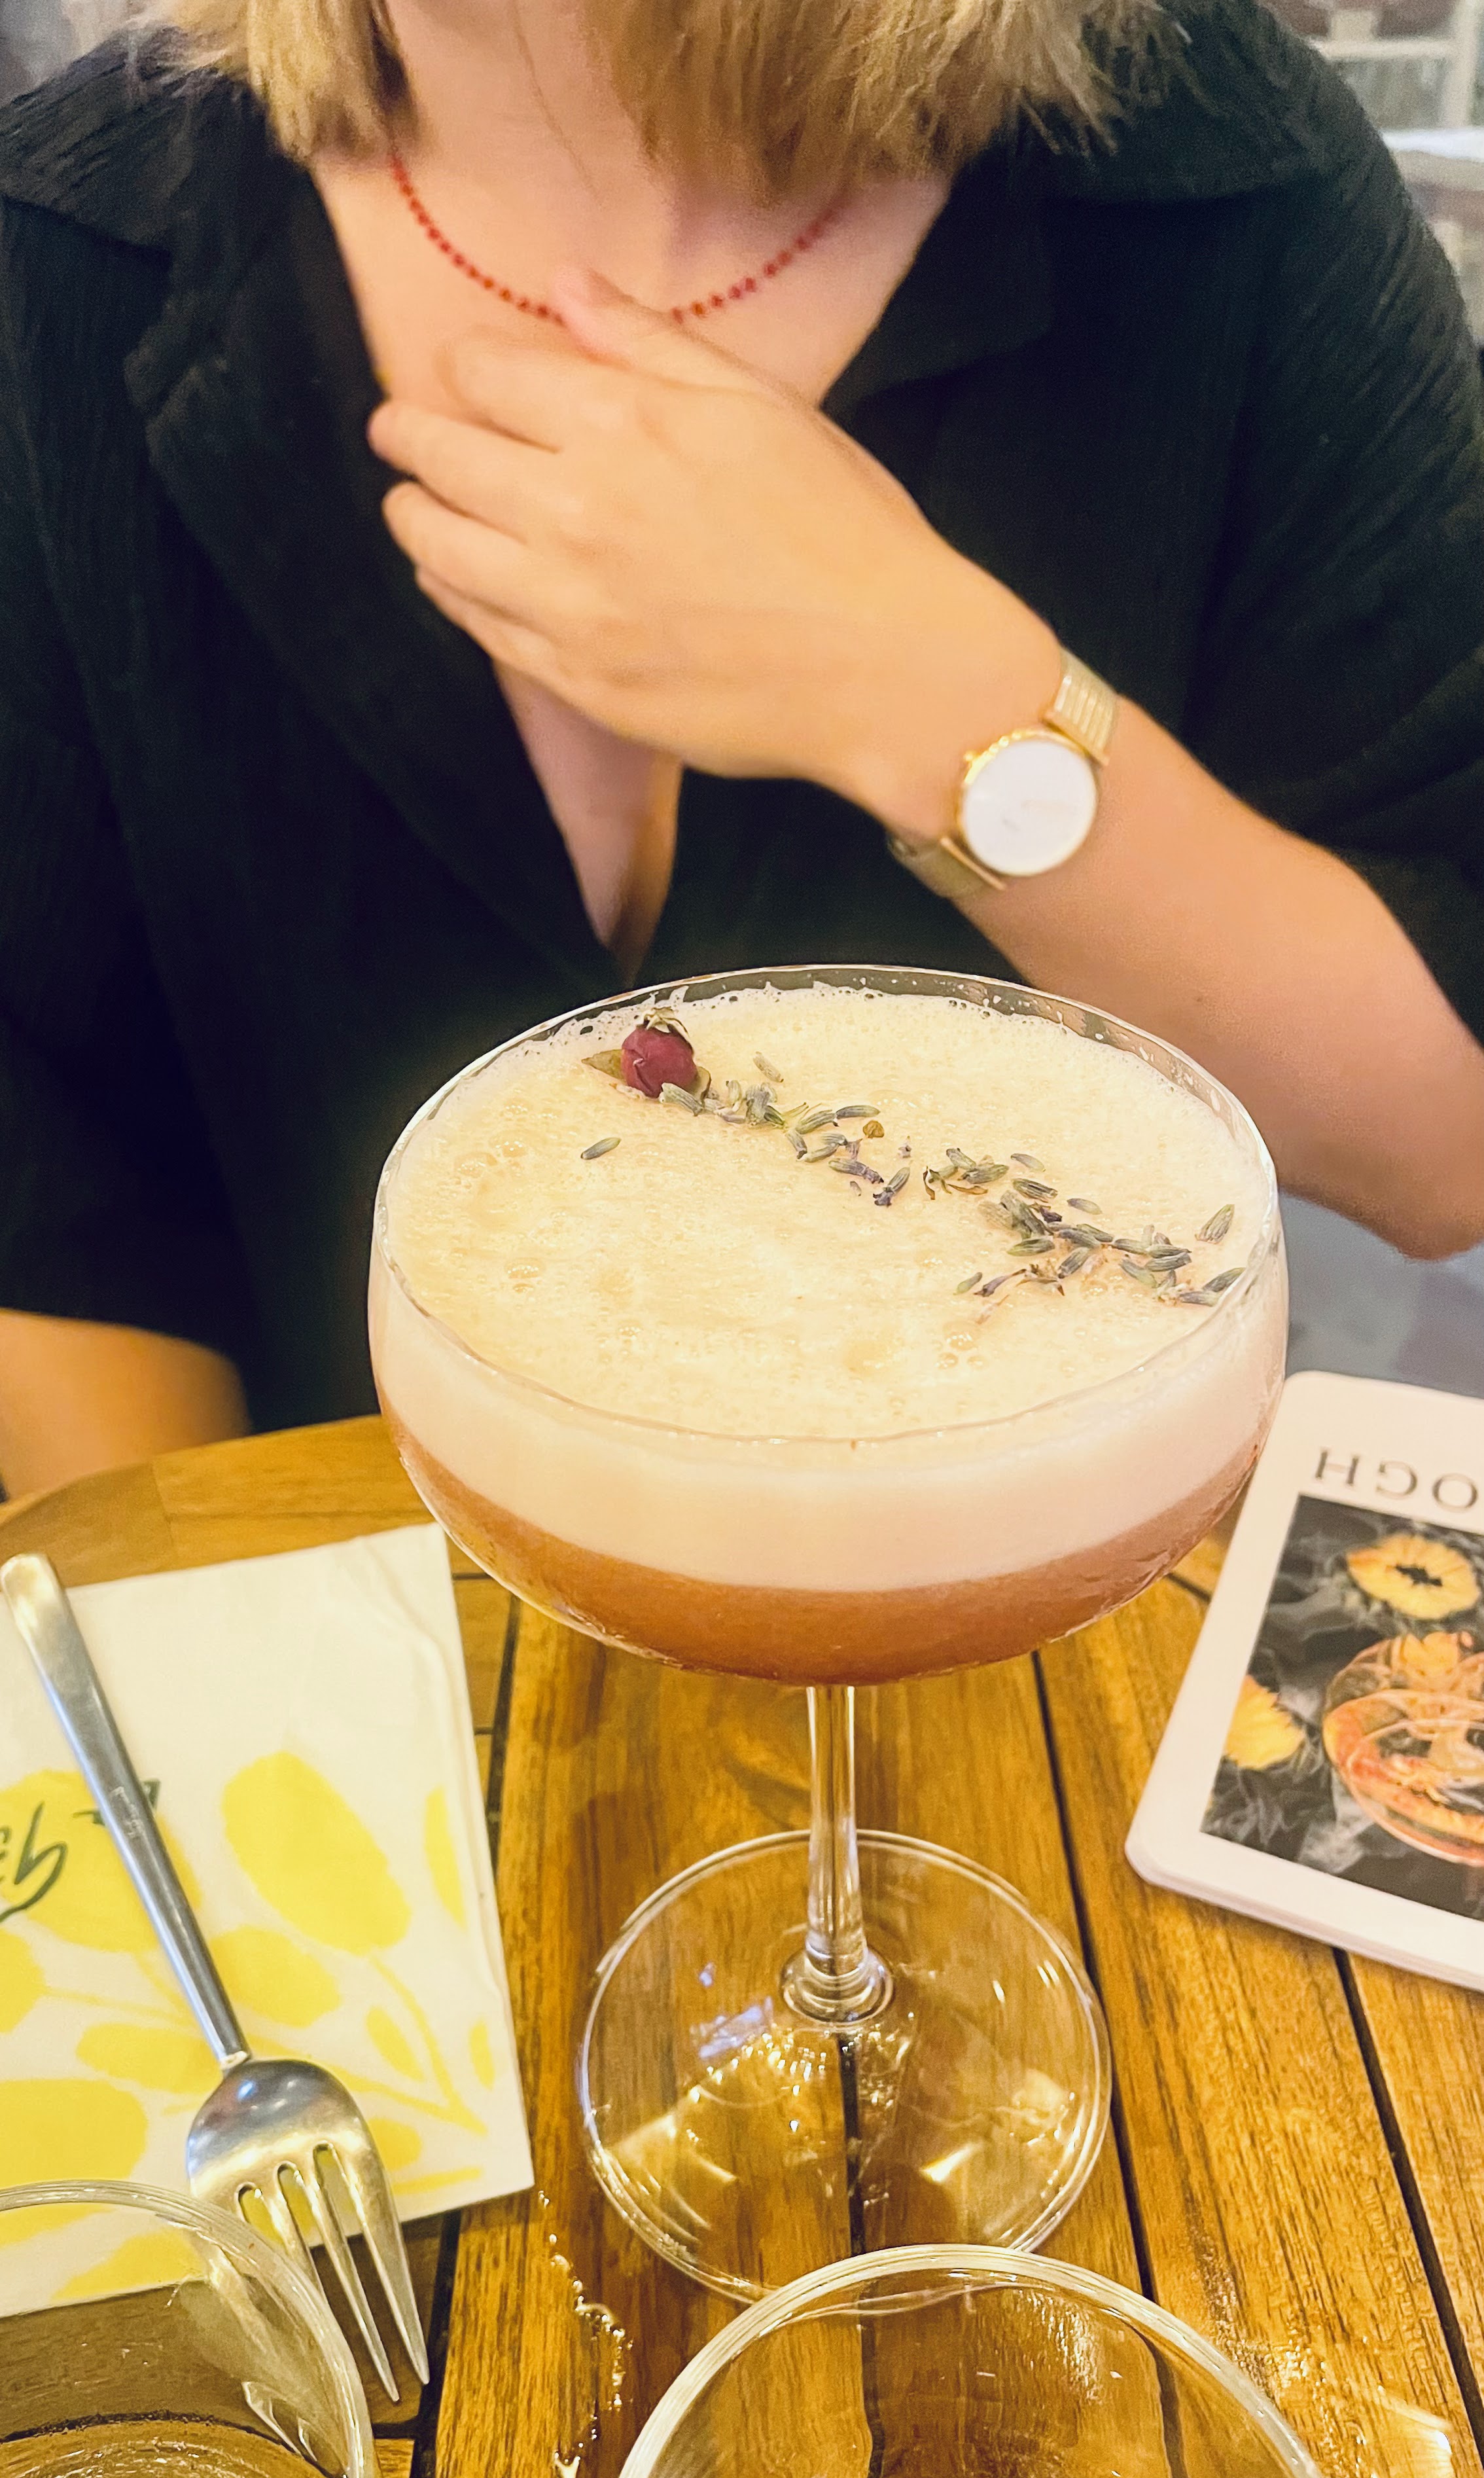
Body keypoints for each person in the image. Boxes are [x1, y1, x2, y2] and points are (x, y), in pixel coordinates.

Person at [1, 0, 1481, 1498]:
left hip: (1033, 1594)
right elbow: (56, 1216)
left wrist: (928, 698)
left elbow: (1442, 1143)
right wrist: (241, 1634)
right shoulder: (55, 248)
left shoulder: (1218, 170)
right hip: (321, 1602)